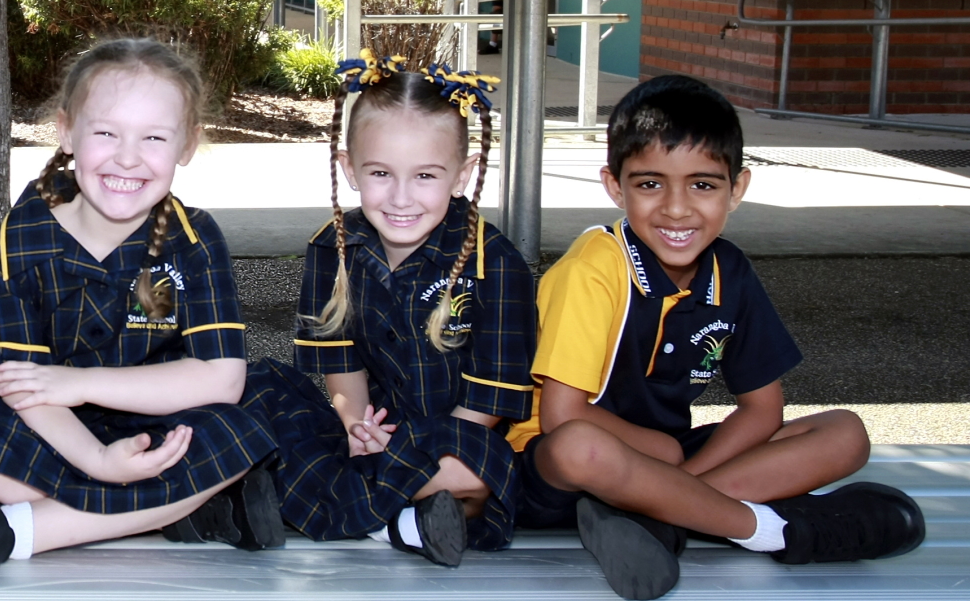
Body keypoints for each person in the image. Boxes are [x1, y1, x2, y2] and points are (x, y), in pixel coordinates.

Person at [0, 37, 282, 581]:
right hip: (52, 427)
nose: (127, 157)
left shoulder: (195, 239)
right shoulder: (21, 238)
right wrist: (96, 460)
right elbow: (21, 383)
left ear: (187, 144)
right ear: (66, 131)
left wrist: (80, 384)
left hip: (156, 415)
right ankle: (177, 509)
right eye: (106, 133)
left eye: (154, 137)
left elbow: (221, 379)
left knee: (237, 433)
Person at [505, 74, 925, 599]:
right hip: (564, 464)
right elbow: (563, 417)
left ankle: (663, 515)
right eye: (650, 183)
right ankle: (774, 531)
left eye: (702, 184)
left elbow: (761, 410)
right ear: (615, 186)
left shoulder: (731, 270)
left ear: (737, 188)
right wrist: (665, 457)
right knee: (581, 449)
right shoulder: (592, 269)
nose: (677, 208)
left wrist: (680, 476)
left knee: (844, 432)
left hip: (673, 458)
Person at [254, 51, 530, 567]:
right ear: (349, 168)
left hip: (457, 439)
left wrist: (405, 450)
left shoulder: (498, 263)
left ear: (462, 174)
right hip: (366, 437)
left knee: (481, 473)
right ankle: (402, 520)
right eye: (381, 172)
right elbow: (340, 364)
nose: (401, 197)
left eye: (426, 176)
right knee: (258, 388)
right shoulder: (331, 248)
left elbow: (491, 401)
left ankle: (345, 509)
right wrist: (358, 428)